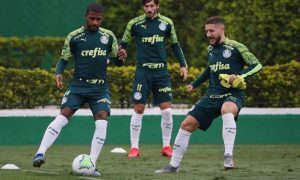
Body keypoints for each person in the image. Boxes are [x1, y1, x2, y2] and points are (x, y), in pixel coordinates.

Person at [155, 16, 262, 173]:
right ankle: (173, 166)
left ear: (221, 30)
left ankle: (228, 157)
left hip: (232, 94)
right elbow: (209, 69)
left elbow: (257, 65)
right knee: (186, 124)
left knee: (226, 109)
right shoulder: (210, 49)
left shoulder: (236, 47)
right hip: (212, 96)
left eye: (212, 31)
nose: (208, 34)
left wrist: (240, 77)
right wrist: (194, 84)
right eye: (206, 31)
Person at [32, 3, 127, 176]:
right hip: (78, 85)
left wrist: (121, 57)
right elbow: (63, 58)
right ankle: (40, 153)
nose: (95, 22)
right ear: (86, 17)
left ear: (102, 19)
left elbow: (117, 60)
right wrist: (59, 73)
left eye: (98, 19)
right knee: (65, 112)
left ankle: (92, 164)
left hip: (99, 87)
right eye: (92, 18)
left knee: (102, 117)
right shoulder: (74, 36)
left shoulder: (109, 36)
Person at [119, 0, 188, 157]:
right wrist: (121, 53)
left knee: (167, 110)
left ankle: (166, 146)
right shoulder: (134, 24)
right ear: (143, 7)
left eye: (152, 6)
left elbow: (175, 45)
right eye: (146, 6)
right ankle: (134, 148)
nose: (149, 9)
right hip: (142, 72)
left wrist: (183, 64)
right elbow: (123, 45)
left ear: (157, 6)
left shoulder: (167, 23)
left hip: (161, 72)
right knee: (139, 109)